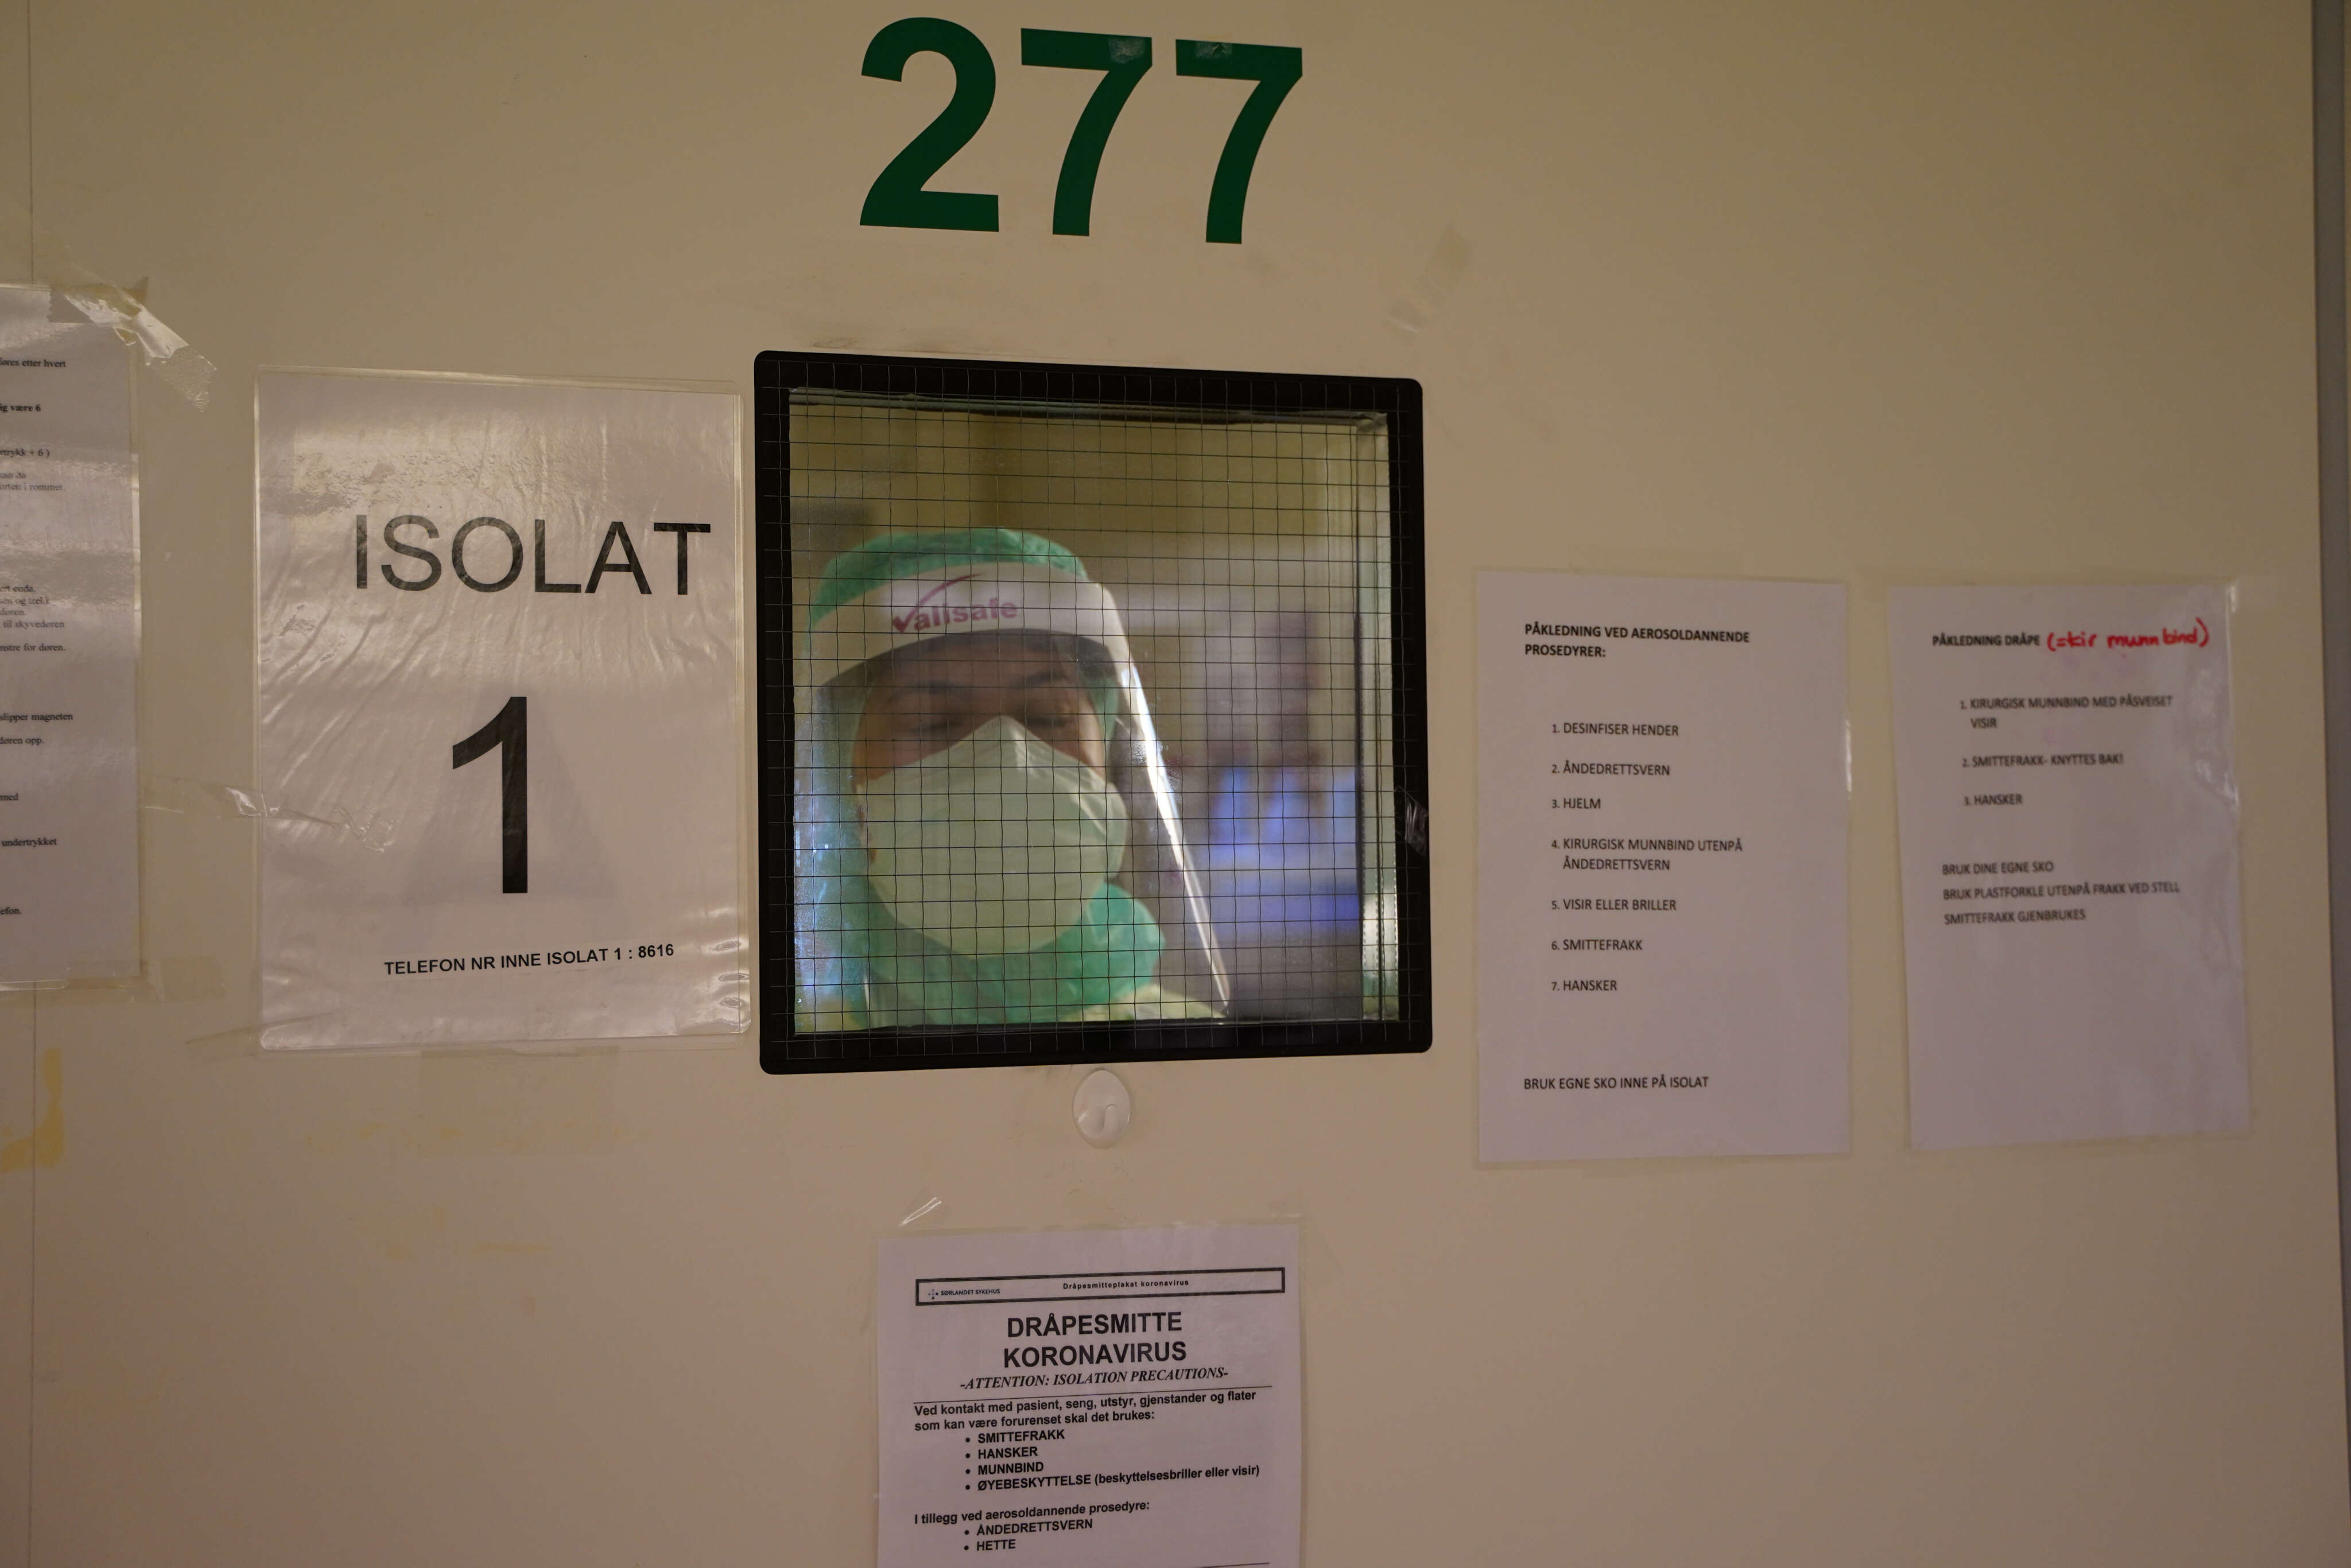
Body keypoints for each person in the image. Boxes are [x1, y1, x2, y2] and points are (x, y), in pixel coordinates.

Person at [796, 527, 1224, 1029]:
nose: (1008, 761)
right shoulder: (788, 1056)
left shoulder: (1188, 1044)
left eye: (1049, 716)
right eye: (931, 722)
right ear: (841, 773)